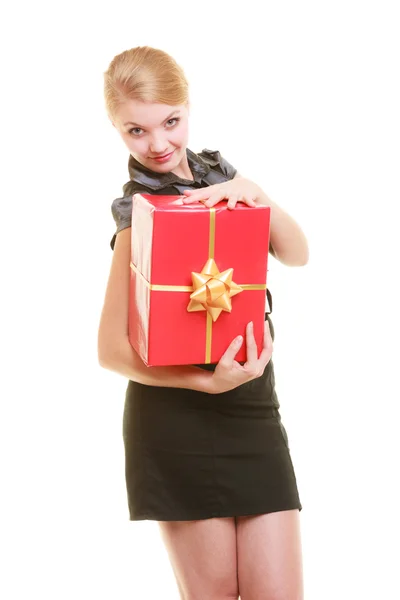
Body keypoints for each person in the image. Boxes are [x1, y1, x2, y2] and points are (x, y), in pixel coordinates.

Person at [98, 45, 309, 600]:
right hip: (176, 416)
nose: (160, 143)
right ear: (116, 131)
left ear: (188, 106)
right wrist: (204, 382)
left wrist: (255, 194)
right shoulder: (135, 214)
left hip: (252, 406)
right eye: (136, 131)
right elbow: (110, 351)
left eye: (170, 121)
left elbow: (297, 253)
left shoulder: (221, 172)